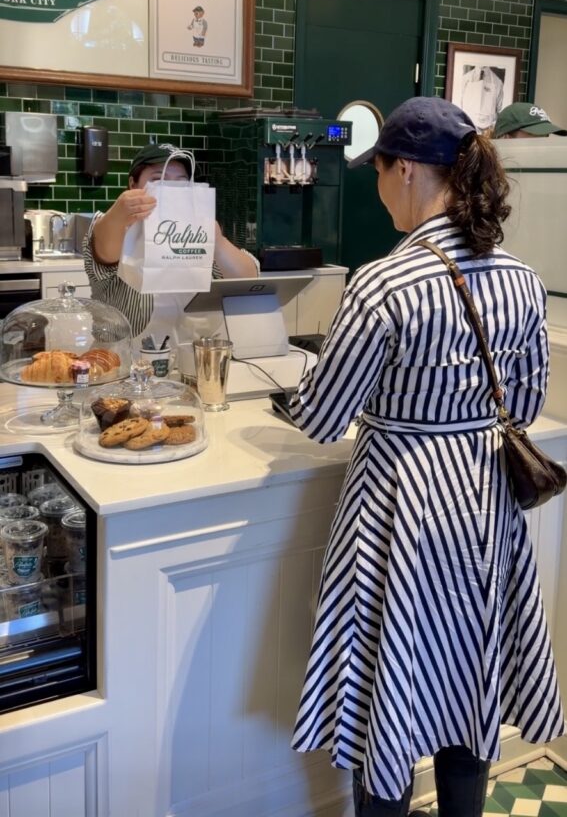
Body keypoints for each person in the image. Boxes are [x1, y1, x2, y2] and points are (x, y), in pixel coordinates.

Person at [289, 97, 564, 817]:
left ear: (403, 170)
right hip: (481, 510)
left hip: (398, 516)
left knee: (388, 689)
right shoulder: (521, 280)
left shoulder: (382, 282)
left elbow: (320, 418)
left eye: (377, 169)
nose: (377, 185)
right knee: (466, 683)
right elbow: (526, 405)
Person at [83, 142, 258, 341]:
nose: (171, 189)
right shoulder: (118, 228)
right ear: (133, 185)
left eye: (181, 182)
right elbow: (104, 249)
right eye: (158, 180)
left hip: (196, 361)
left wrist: (216, 241)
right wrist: (119, 212)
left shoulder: (197, 232)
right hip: (124, 364)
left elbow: (248, 280)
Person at [460, 64, 503, 132]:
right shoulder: (465, 78)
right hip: (468, 126)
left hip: (488, 128)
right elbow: (459, 102)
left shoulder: (497, 81)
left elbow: (499, 108)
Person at [492, 101, 567, 138]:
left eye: (545, 136)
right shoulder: (484, 167)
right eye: (535, 135)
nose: (543, 147)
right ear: (505, 138)